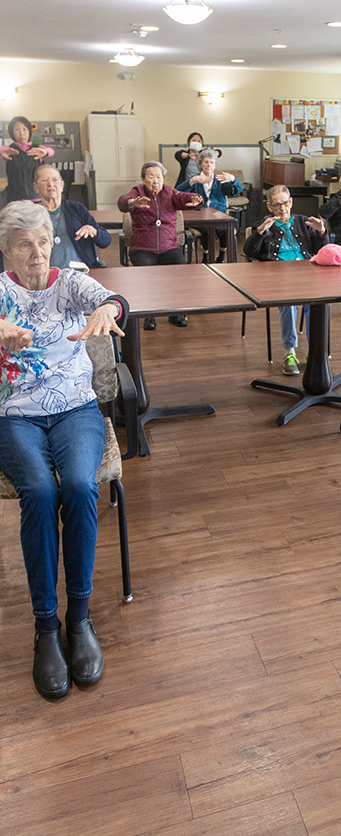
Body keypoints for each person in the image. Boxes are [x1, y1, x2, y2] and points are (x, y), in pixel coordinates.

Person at [0, 201, 128, 699]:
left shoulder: (69, 281)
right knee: (37, 491)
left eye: (44, 242)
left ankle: (79, 618)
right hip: (16, 417)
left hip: (76, 409)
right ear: (7, 250)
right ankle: (45, 628)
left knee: (77, 486)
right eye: (24, 244)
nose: (37, 253)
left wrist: (106, 308)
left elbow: (114, 299)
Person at [243, 185, 329, 376]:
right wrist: (258, 233)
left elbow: (322, 251)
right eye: (276, 205)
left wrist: (322, 233)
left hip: (307, 273)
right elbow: (250, 253)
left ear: (291, 202)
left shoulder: (304, 222)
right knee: (289, 304)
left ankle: (316, 352)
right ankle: (290, 352)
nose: (282, 209)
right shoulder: (266, 224)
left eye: (285, 203)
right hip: (279, 276)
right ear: (269, 207)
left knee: (317, 303)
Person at [118, 161, 202, 329]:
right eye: (151, 176)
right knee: (148, 276)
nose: (155, 180)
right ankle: (150, 314)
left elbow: (183, 198)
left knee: (179, 272)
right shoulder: (138, 192)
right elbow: (122, 202)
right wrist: (133, 203)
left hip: (169, 246)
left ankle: (176, 313)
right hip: (142, 248)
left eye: (159, 176)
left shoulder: (169, 192)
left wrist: (195, 200)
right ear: (143, 179)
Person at [31, 164, 110, 270]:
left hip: (80, 272)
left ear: (62, 185)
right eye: (44, 180)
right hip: (46, 275)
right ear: (36, 187)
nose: (51, 184)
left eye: (55, 180)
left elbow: (106, 241)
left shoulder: (76, 208)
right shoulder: (31, 214)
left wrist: (94, 231)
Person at [177, 148, 242, 261]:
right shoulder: (195, 179)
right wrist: (193, 180)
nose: (209, 165)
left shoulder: (220, 180)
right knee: (207, 230)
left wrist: (232, 179)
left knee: (224, 230)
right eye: (206, 162)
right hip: (200, 216)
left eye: (212, 162)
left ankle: (221, 255)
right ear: (200, 164)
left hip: (218, 215)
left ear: (215, 165)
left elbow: (236, 190)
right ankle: (206, 256)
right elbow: (177, 191)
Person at [0, 116, 54, 202]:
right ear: (12, 133)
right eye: (17, 129)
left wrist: (45, 152)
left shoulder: (37, 149)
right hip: (15, 199)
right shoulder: (8, 149)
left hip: (36, 197)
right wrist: (1, 152)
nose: (21, 133)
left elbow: (51, 151)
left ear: (29, 131)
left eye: (24, 129)